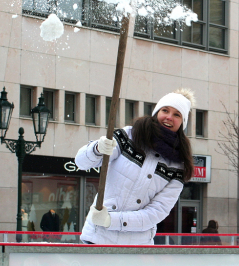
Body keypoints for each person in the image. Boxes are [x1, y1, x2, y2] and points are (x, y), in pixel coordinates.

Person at [75, 88, 195, 245]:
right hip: (97, 238)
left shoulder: (178, 166)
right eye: (165, 110)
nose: (169, 117)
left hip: (137, 247)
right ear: (157, 112)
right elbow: (81, 163)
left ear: (182, 123)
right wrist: (97, 149)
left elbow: (156, 212)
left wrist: (112, 220)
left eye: (177, 114)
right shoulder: (129, 136)